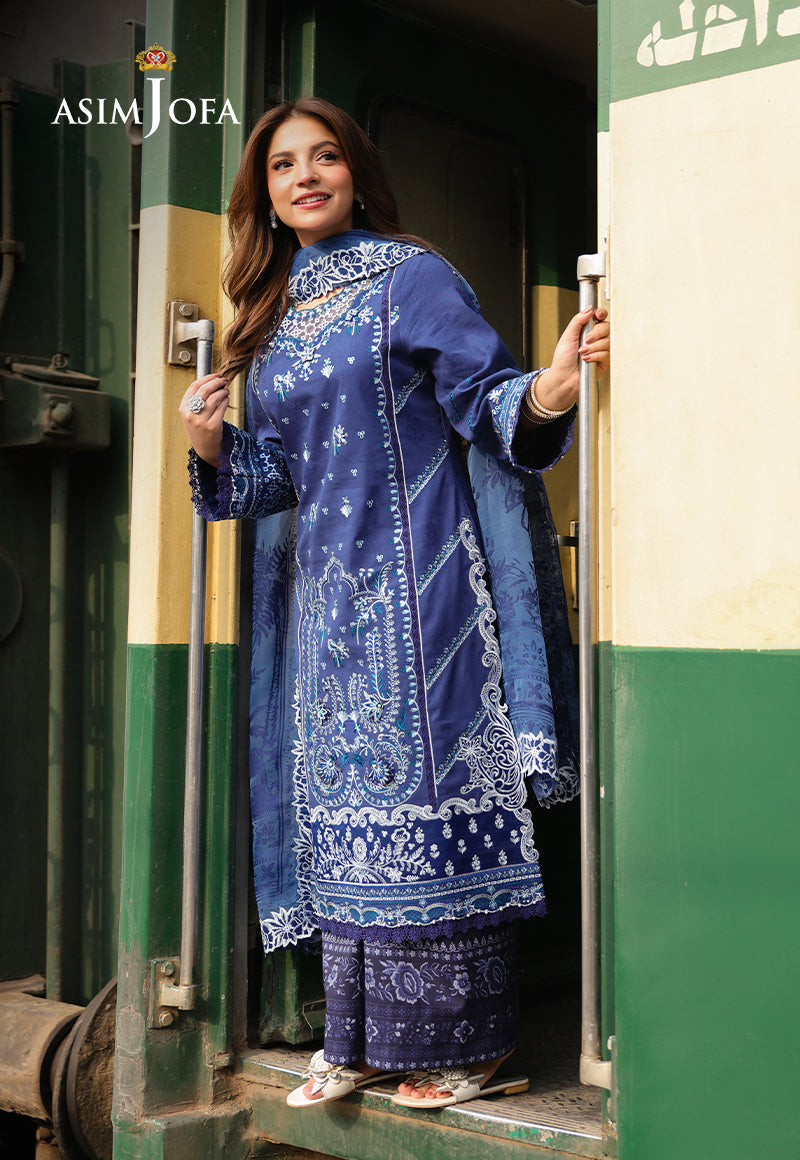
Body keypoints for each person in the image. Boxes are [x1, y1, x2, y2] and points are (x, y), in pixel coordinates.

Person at [179, 97, 609, 1110]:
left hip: (426, 594)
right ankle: (362, 1039)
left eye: (324, 156)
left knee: (427, 801)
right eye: (283, 164)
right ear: (265, 195)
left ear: (356, 174)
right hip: (325, 610)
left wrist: (550, 387)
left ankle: (471, 1046)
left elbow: (485, 402)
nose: (305, 175)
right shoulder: (269, 316)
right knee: (347, 813)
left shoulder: (412, 277)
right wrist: (209, 443)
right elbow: (274, 481)